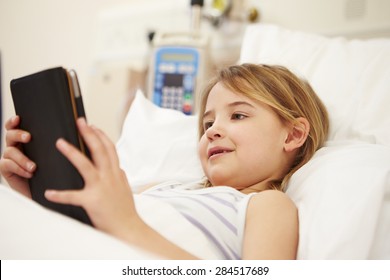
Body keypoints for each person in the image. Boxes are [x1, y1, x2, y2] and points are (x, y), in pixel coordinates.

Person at [0, 63, 329, 259]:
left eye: (238, 115)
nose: (214, 131)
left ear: (293, 135)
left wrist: (126, 223)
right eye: (208, 123)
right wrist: (33, 194)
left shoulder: (266, 205)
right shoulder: (167, 187)